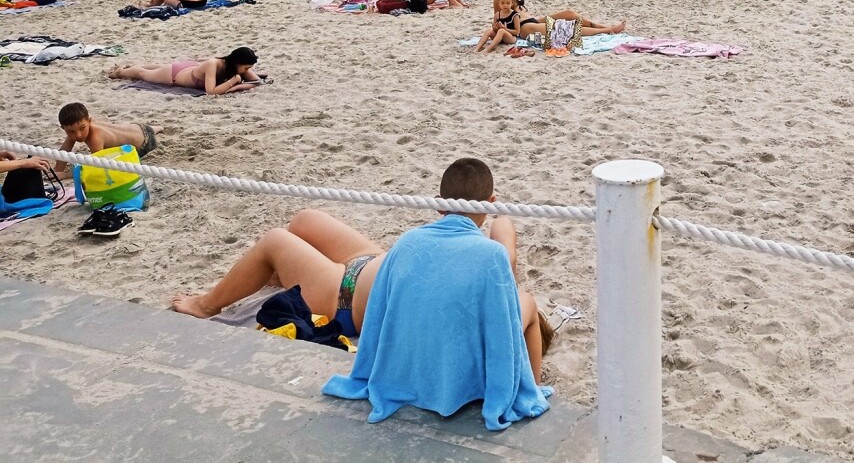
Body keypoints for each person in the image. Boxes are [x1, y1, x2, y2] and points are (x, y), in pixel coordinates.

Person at [171, 158, 553, 385]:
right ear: (490, 202)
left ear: (439, 204)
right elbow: (505, 246)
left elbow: (503, 255)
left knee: (275, 240)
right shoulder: (491, 257)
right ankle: (278, 271)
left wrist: (496, 222)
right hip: (370, 261)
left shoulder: (480, 257)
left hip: (342, 295)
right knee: (305, 218)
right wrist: (501, 223)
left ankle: (205, 305)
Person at [477, 0, 624, 53]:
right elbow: (497, 17)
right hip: (523, 27)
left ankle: (601, 25)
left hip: (531, 19)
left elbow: (520, 7)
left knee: (569, 13)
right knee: (563, 27)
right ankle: (607, 30)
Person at [109, 46, 265, 95]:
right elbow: (211, 92)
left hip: (189, 68)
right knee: (143, 74)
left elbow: (257, 82)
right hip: (175, 75)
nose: (247, 71)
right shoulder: (214, 64)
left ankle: (130, 67)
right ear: (238, 62)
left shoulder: (236, 66)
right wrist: (233, 82)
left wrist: (237, 85)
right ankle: (120, 72)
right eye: (246, 68)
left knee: (157, 66)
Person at [54, 101, 157, 174]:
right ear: (63, 129)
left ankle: (155, 130)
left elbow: (96, 166)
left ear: (89, 121)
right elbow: (63, 153)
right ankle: (157, 129)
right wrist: (57, 171)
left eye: (82, 128)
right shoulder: (81, 127)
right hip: (138, 127)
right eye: (71, 132)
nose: (78, 135)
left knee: (147, 133)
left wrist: (65, 175)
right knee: (148, 130)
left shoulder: (95, 138)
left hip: (144, 144)